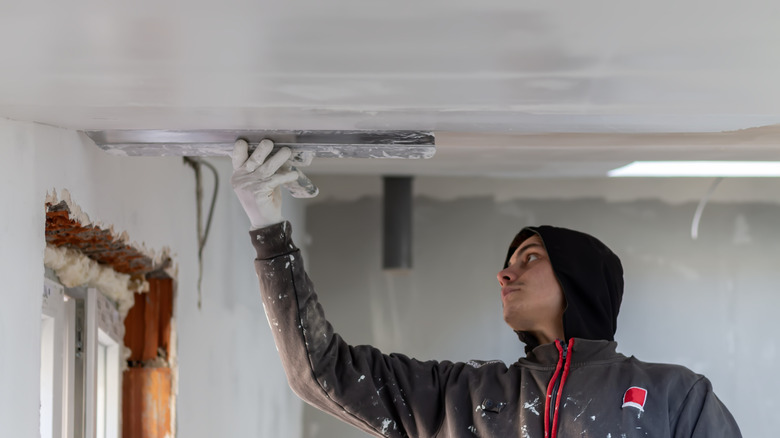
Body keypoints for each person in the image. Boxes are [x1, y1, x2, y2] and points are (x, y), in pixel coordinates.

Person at [231, 139, 742, 438]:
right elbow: (324, 374)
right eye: (508, 263)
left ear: (579, 280)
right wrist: (267, 229)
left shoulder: (673, 395)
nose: (505, 274)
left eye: (530, 258)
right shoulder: (466, 396)